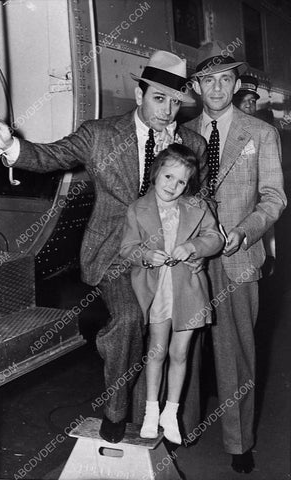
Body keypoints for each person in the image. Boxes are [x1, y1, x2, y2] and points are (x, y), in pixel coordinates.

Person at [0, 50, 207, 443]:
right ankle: (117, 410)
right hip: (115, 253)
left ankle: (160, 416)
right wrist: (9, 145)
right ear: (139, 96)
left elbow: (199, 205)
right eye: (159, 98)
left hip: (170, 258)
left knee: (176, 338)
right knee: (129, 320)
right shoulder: (99, 134)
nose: (168, 110)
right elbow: (48, 155)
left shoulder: (193, 144)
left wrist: (198, 250)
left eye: (175, 101)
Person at [185, 41, 287, 473]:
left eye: (226, 79)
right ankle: (181, 428)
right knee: (181, 350)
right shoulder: (182, 132)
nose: (217, 87)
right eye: (208, 79)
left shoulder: (261, 132)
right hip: (186, 259)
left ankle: (239, 443)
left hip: (237, 257)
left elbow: (274, 198)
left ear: (237, 83)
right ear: (194, 86)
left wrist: (244, 234)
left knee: (236, 353)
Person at [120, 144, 223, 443]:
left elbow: (214, 237)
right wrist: (145, 255)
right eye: (168, 177)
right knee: (157, 351)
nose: (172, 186)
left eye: (181, 182)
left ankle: (171, 413)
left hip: (188, 291)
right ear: (155, 174)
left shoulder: (196, 207)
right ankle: (152, 411)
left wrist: (193, 247)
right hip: (156, 291)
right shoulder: (136, 209)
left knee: (180, 354)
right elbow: (127, 248)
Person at [234, 75, 276, 275]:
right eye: (245, 102)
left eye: (253, 102)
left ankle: (270, 260)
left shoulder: (263, 132)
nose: (250, 106)